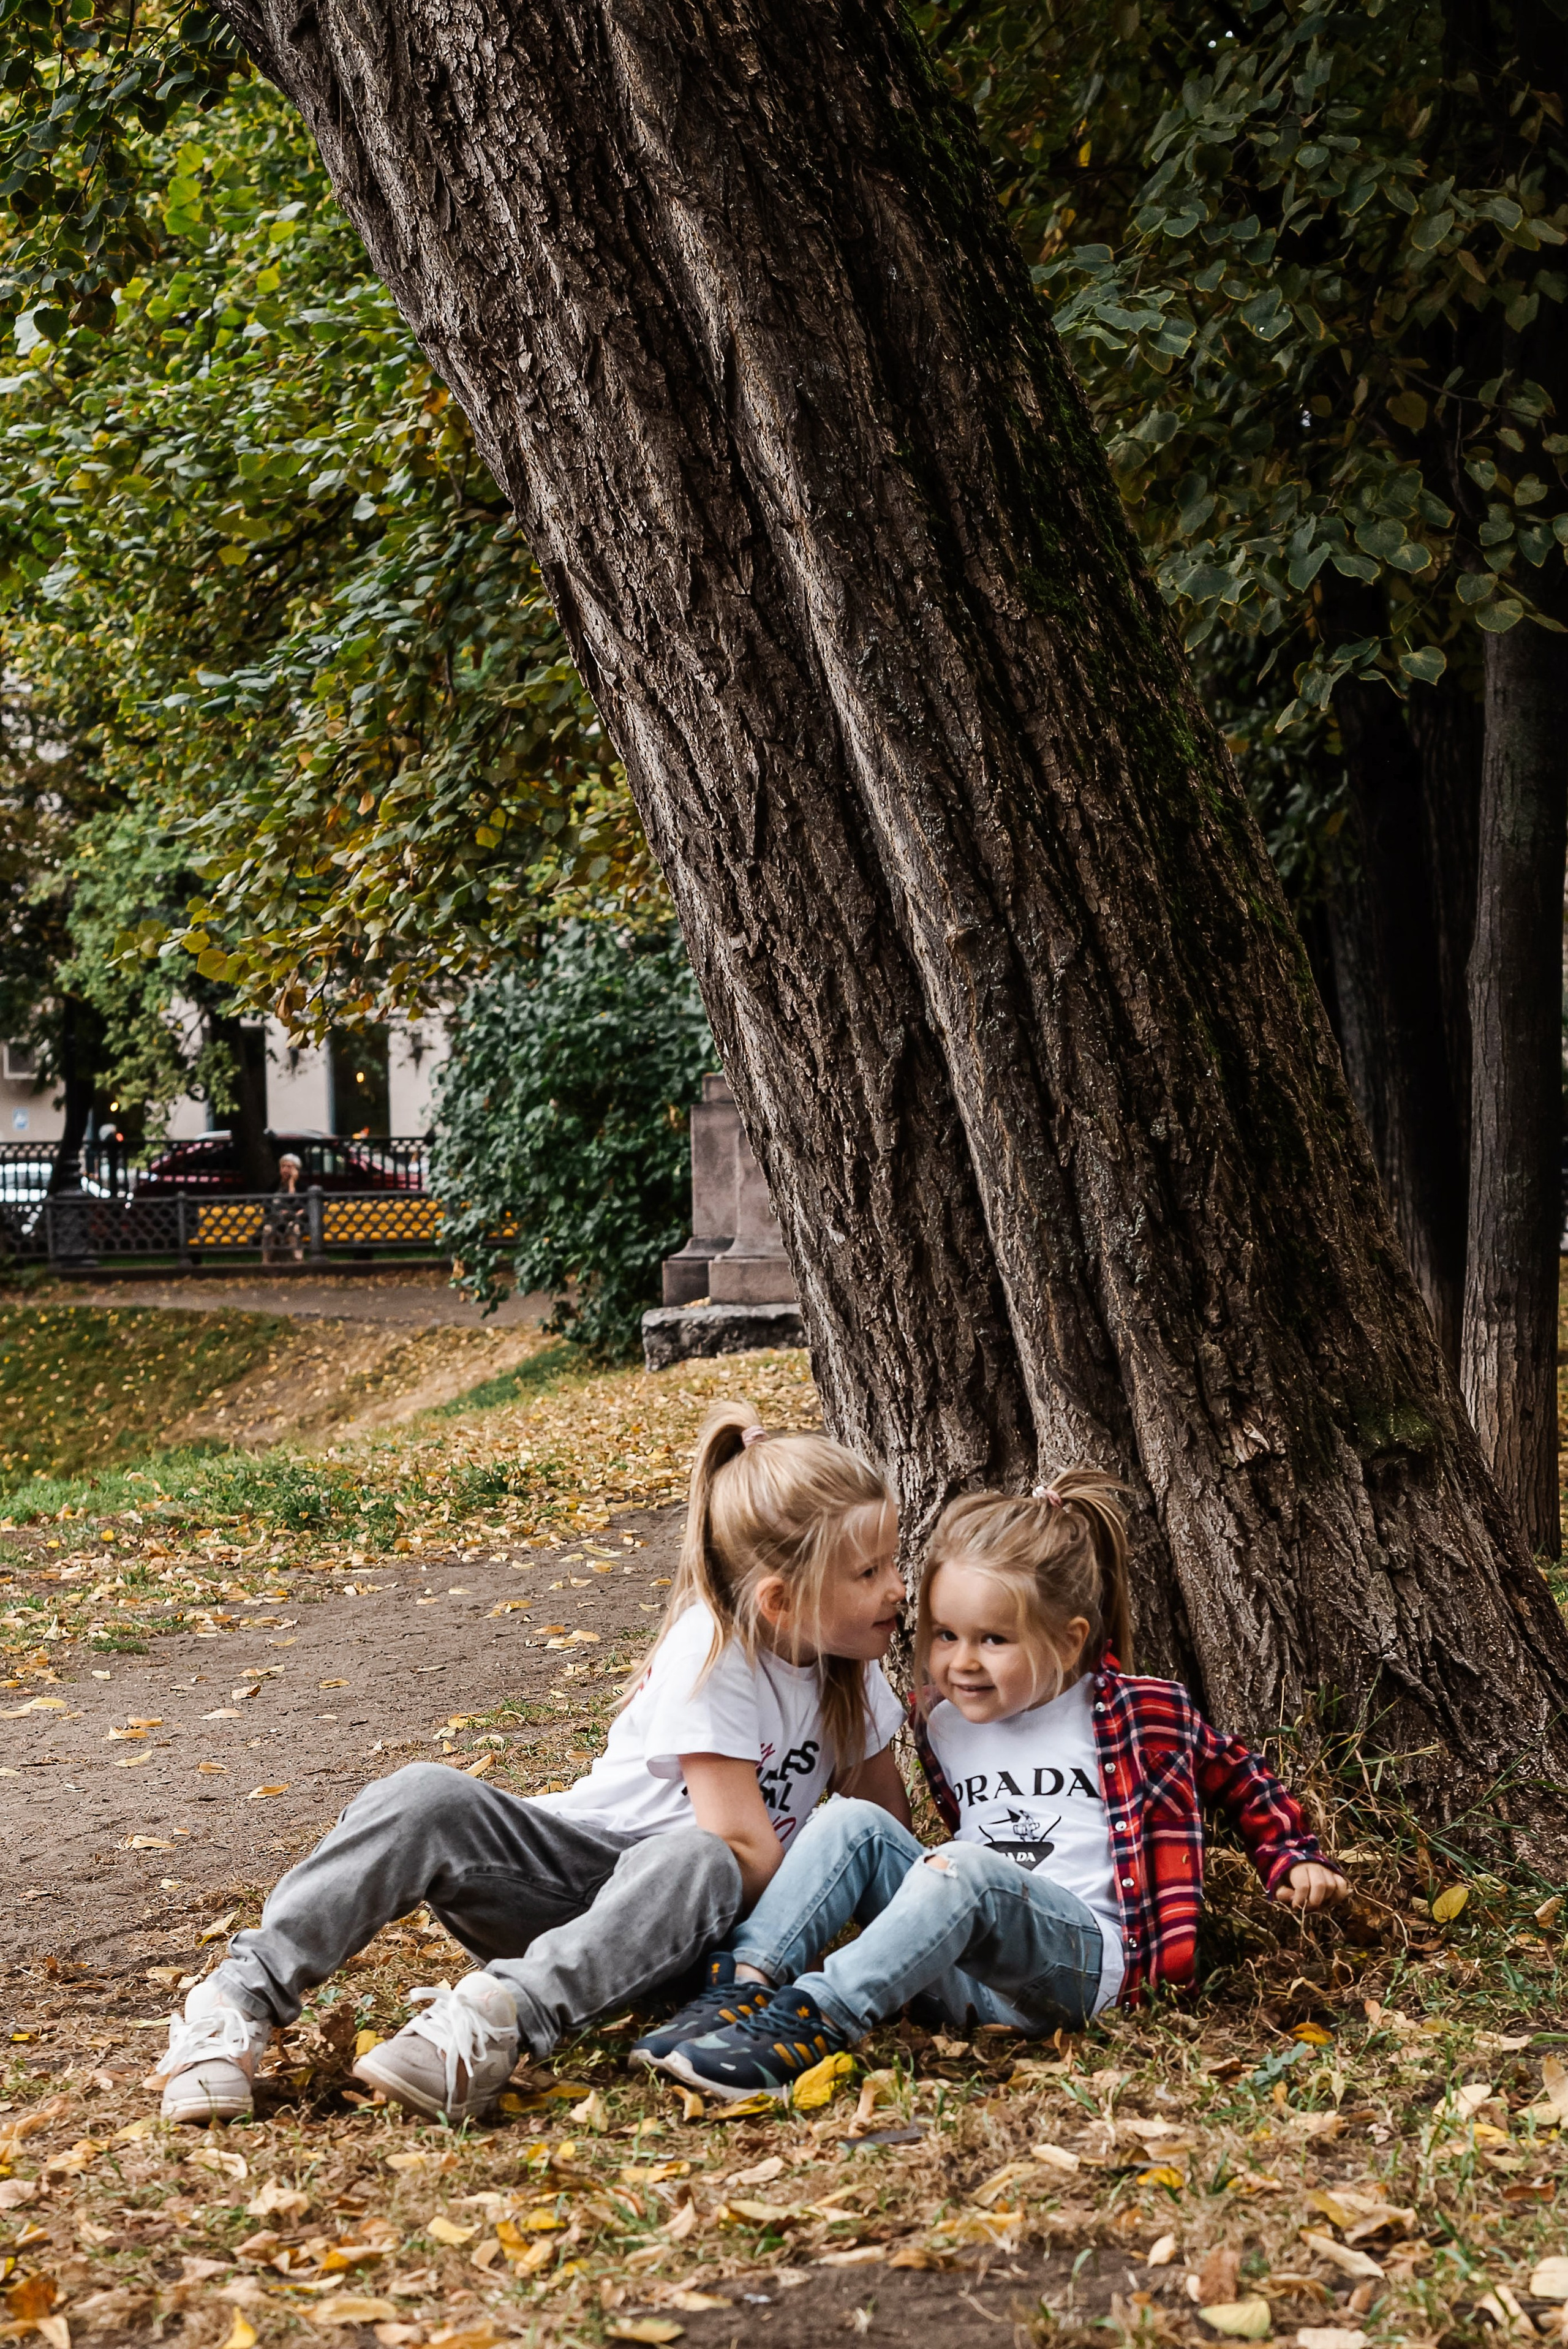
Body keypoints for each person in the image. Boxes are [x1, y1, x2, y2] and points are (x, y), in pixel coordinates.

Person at [155, 1403, 908, 2126]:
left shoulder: (851, 1671)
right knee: (426, 1796)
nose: (898, 1590)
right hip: (576, 1882)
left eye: (892, 1564)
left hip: (701, 1940)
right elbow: (752, 1851)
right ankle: (233, 2005)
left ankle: (497, 2020)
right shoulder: (714, 1654)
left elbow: (880, 1843)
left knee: (701, 1860)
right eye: (868, 1573)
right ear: (780, 1600)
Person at [650, 1467, 1349, 2100]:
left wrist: (1292, 1855)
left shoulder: (1140, 1712)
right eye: (945, 1634)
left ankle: (815, 2020)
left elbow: (1237, 1774)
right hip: (967, 1973)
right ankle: (739, 1990)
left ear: (1068, 1640)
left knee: (968, 1870)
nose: (961, 1662)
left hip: (1085, 1968)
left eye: (993, 1639)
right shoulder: (944, 1725)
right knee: (848, 1822)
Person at [261, 1153, 307, 1265]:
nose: (286, 1170)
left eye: (289, 1167)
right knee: (267, 1230)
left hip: (293, 1222)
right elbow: (266, 1206)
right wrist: (276, 1212)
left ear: (296, 1170)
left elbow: (298, 1206)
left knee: (294, 1228)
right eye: (283, 1166)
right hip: (275, 1222)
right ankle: (265, 1263)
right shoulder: (274, 1186)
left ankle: (299, 1262)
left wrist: (292, 1184)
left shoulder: (302, 1187)